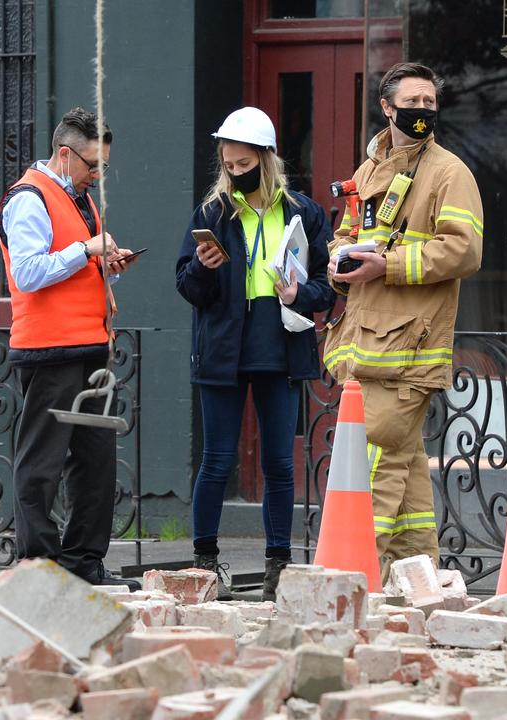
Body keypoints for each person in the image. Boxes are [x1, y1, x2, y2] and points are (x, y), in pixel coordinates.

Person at [325, 63, 484, 579]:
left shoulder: (449, 173)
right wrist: (338, 264)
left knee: (372, 472)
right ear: (387, 108)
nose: (423, 111)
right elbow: (346, 235)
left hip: (408, 358)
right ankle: (418, 585)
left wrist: (387, 265)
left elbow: (465, 251)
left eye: (429, 102)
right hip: (365, 349)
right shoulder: (369, 172)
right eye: (411, 102)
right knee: (407, 477)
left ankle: (350, 580)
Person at [176, 107, 336, 600]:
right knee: (217, 461)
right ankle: (205, 564)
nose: (235, 173)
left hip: (280, 345)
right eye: (228, 164)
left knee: (278, 464)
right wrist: (203, 269)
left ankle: (277, 568)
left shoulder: (303, 213)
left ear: (266, 161)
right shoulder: (211, 214)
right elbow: (185, 286)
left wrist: (300, 296)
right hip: (222, 348)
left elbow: (329, 285)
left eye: (243, 165)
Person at [0, 107, 141, 590]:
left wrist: (107, 264)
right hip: (48, 348)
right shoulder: (28, 198)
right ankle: (38, 567)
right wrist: (86, 251)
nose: (98, 175)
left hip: (90, 346)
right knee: (41, 462)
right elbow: (29, 272)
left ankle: (84, 562)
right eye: (92, 165)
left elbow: (71, 266)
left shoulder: (78, 198)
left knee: (95, 462)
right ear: (64, 154)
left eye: (102, 165)